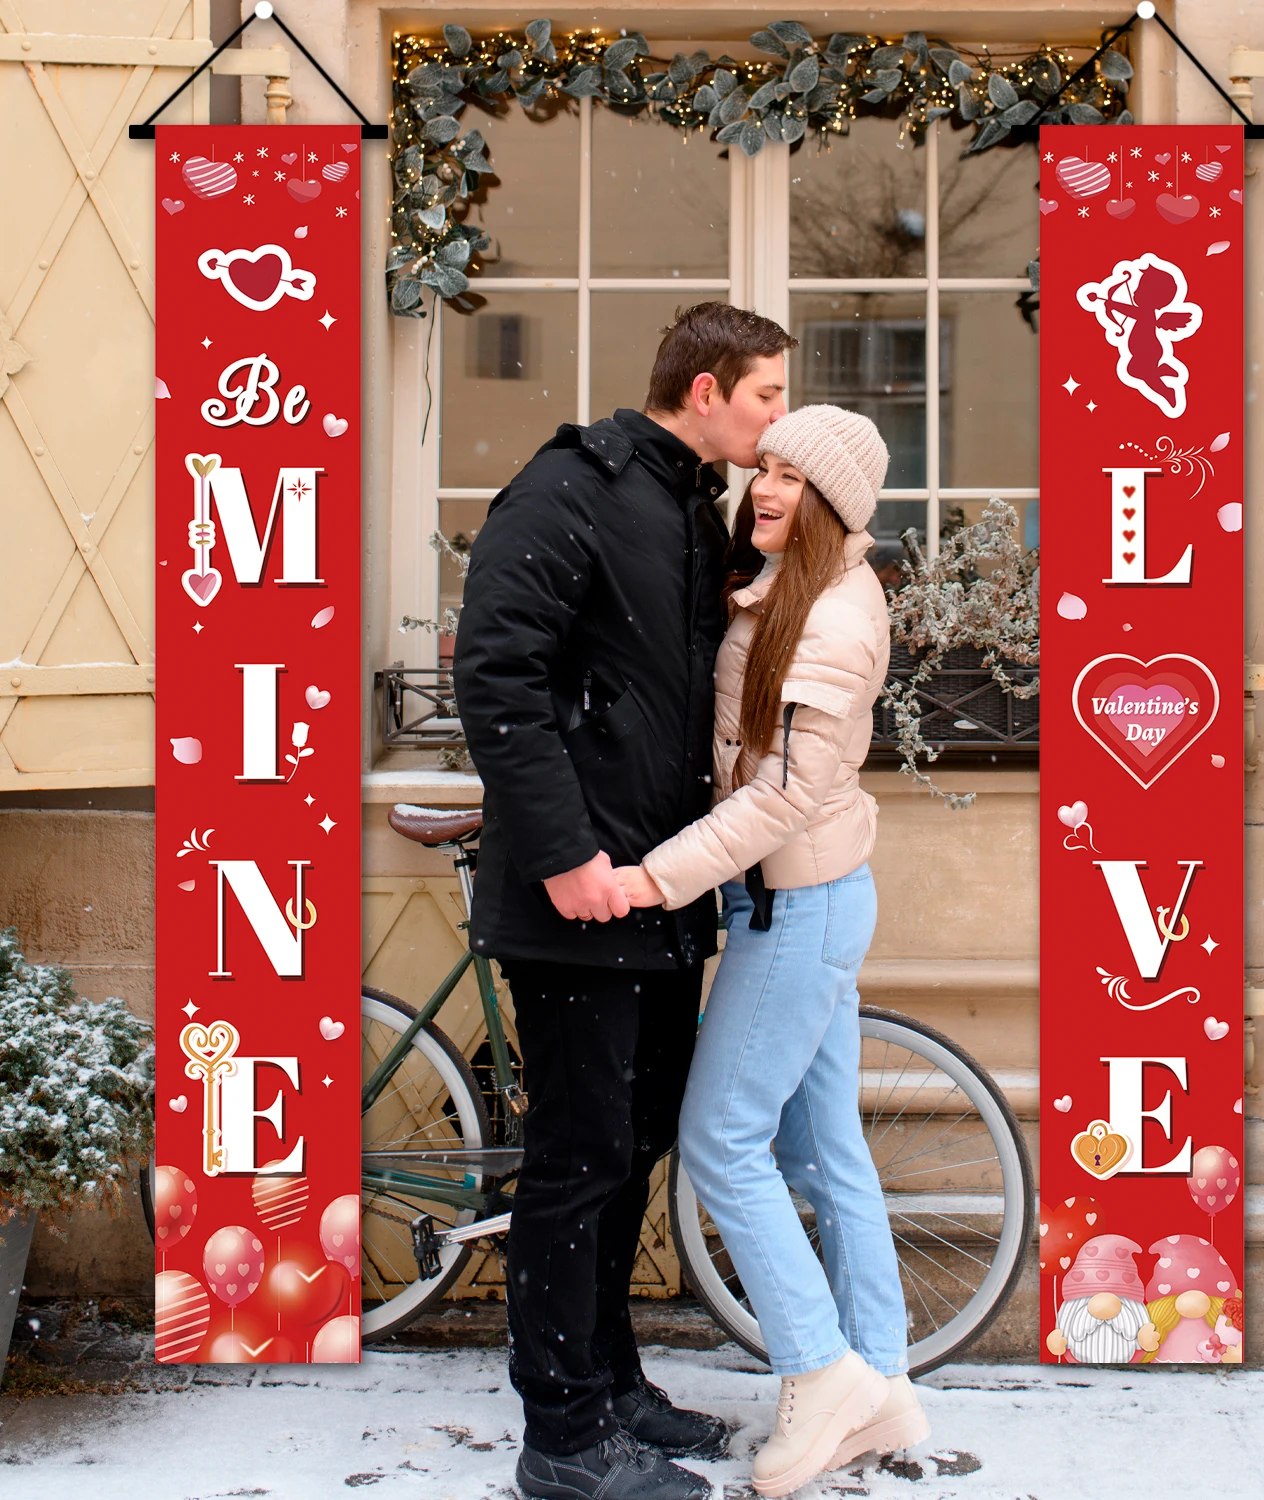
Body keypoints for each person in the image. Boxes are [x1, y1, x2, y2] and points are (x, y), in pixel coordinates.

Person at [453, 303, 796, 1500]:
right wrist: (560, 857)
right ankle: (561, 1439)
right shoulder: (573, 488)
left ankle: (611, 1391)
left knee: (632, 1150)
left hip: (659, 893)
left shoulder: (687, 508)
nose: (775, 419)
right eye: (764, 396)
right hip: (580, 897)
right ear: (704, 390)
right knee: (577, 1158)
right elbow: (495, 667)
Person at [615, 406, 930, 1498]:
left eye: (794, 476)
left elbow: (786, 792)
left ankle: (818, 1371)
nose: (765, 487)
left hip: (793, 909)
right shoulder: (786, 595)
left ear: (836, 500)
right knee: (823, 1147)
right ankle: (880, 1382)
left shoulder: (832, 618)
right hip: (805, 901)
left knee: (722, 1141)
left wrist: (654, 877)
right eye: (765, 468)